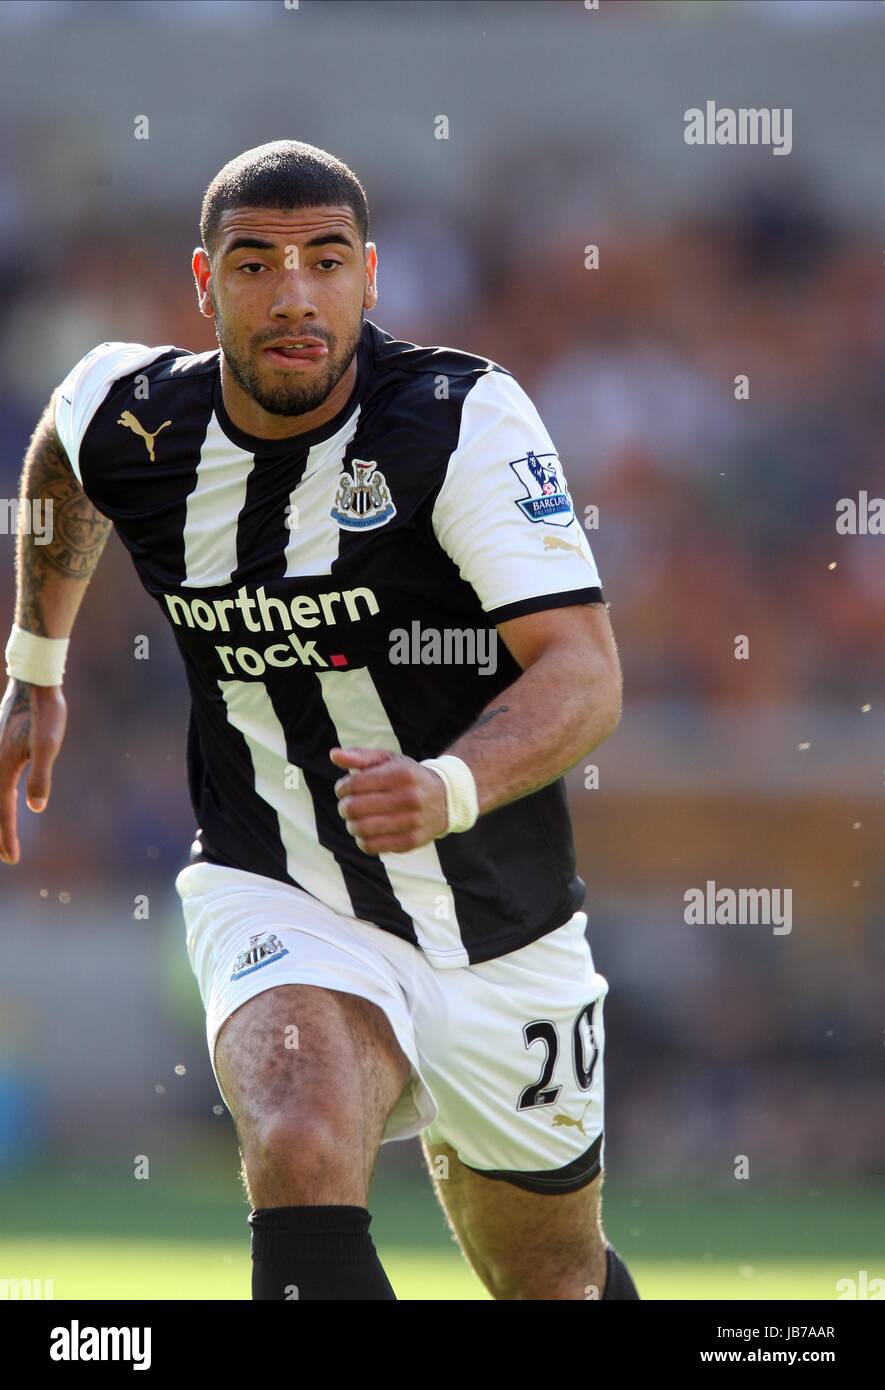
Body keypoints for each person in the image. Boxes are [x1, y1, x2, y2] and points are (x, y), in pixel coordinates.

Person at [0, 140, 636, 1301]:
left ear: (371, 277)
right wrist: (34, 664)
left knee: (556, 1284)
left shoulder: (461, 420)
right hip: (278, 883)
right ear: (204, 285)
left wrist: (445, 785)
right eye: (255, 265)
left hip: (502, 921)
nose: (293, 293)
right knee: (296, 1133)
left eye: (325, 261)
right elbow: (61, 454)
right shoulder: (138, 422)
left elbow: (585, 673)